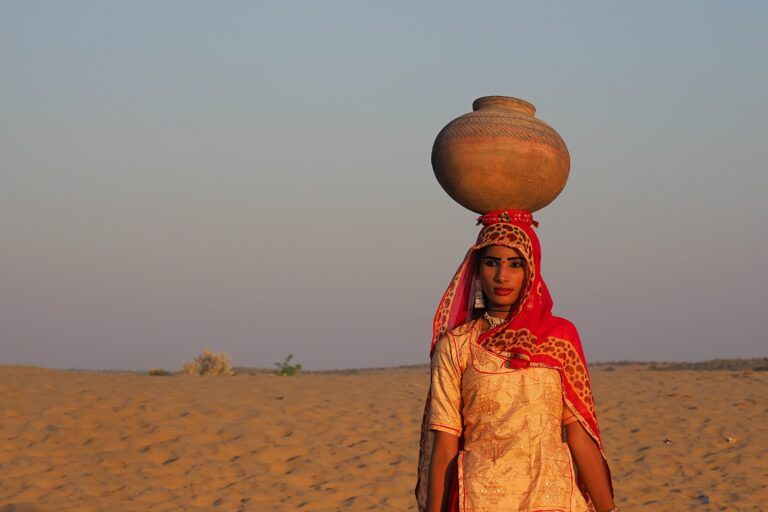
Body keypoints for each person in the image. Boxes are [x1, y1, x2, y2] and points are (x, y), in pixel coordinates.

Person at [415, 210, 617, 512]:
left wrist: (609, 510)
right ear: (477, 270)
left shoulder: (559, 337)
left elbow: (579, 436)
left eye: (515, 264)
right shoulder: (456, 346)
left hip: (555, 500)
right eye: (492, 263)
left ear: (531, 270)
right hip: (481, 500)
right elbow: (445, 445)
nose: (502, 276)